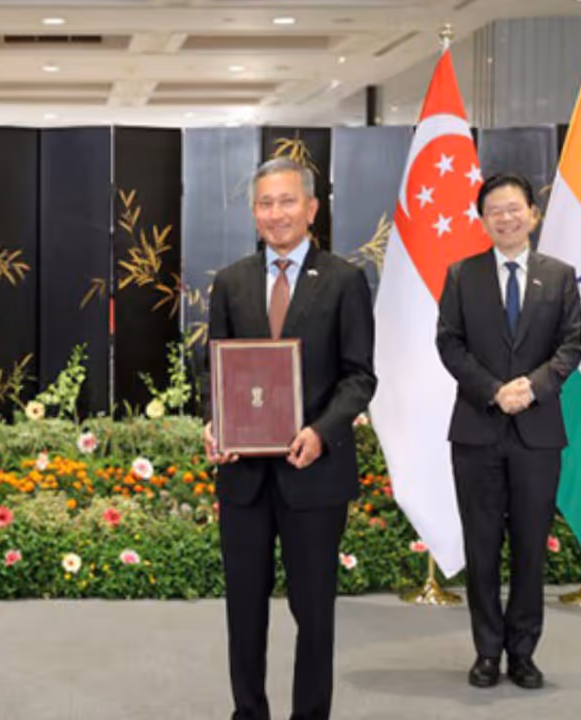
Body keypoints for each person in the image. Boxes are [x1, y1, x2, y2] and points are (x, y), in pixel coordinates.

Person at [202, 157, 377, 720]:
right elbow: (214, 370)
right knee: (244, 609)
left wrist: (322, 433)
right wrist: (215, 423)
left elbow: (359, 376)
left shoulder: (346, 280)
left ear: (311, 208)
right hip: (244, 477)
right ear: (253, 213)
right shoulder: (230, 282)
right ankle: (247, 711)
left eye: (286, 202)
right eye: (264, 204)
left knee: (313, 610)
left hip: (314, 473)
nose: (275, 214)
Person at [436, 173, 581, 690]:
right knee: (481, 546)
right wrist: (494, 390)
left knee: (528, 547)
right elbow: (449, 344)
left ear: (532, 214)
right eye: (494, 210)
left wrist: (533, 388)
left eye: (513, 208)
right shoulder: (461, 275)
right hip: (477, 430)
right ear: (483, 220)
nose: (505, 216)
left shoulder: (560, 276)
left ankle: (523, 652)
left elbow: (571, 347)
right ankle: (486, 651)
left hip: (538, 434)